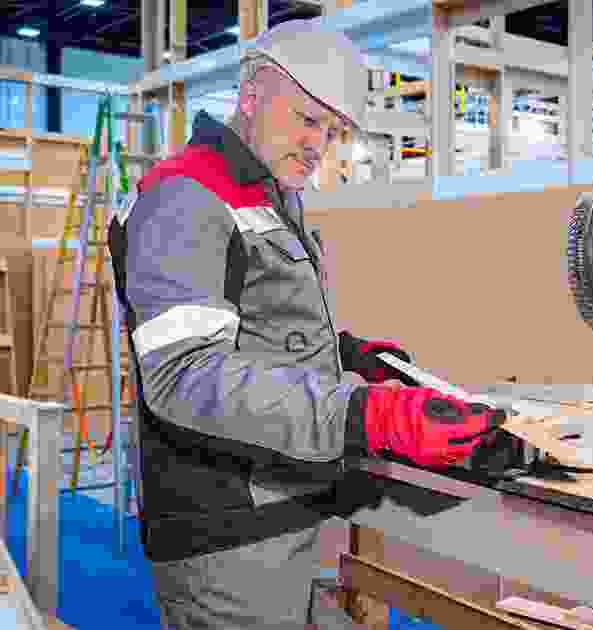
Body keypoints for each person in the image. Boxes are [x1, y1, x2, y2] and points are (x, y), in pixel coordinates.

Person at [108, 20, 508, 630]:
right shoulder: (186, 197)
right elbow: (185, 377)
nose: (319, 143)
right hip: (226, 530)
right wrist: (364, 413)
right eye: (307, 119)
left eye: (331, 129)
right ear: (250, 95)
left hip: (280, 503)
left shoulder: (268, 191)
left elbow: (257, 328)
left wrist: (347, 356)